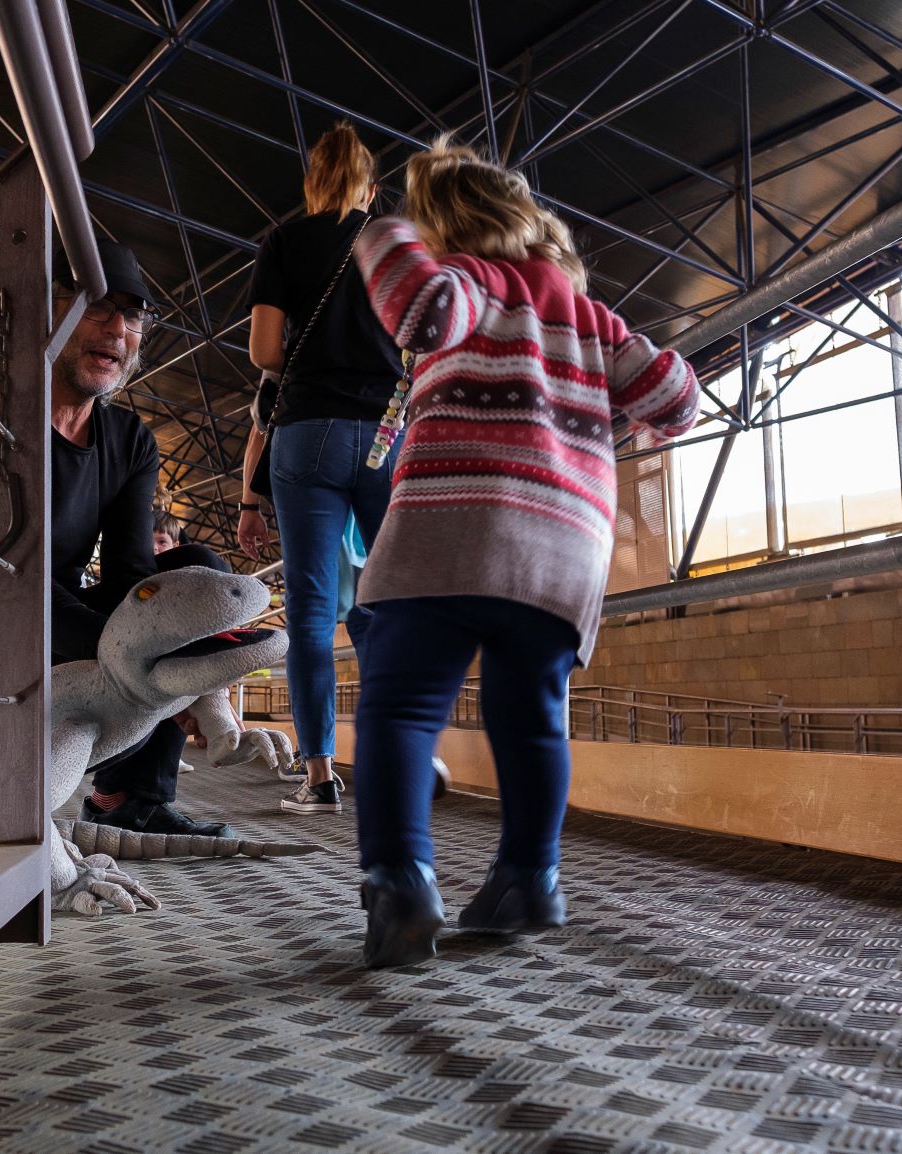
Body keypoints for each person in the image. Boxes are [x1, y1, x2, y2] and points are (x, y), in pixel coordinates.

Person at [348, 137, 700, 968]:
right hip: (562, 550)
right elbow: (676, 400)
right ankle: (529, 879)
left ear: (446, 226)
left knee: (401, 708)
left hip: (450, 529)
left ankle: (401, 883)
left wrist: (378, 232)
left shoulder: (470, 280)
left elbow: (419, 312)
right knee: (533, 715)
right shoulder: (590, 317)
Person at [0, 238, 236, 839]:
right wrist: (150, 661)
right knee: (139, 645)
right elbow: (7, 581)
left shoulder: (130, 441)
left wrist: (191, 653)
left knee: (195, 573)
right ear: (46, 314)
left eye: (133, 315)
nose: (117, 329)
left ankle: (129, 799)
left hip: (49, 640)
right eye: (97, 306)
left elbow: (132, 579)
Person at [238, 121, 406, 817]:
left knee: (310, 611)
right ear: (370, 188)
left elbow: (263, 351)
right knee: (387, 599)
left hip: (307, 431)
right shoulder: (395, 243)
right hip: (385, 432)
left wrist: (315, 361)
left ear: (312, 184)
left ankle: (319, 779)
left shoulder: (284, 241)